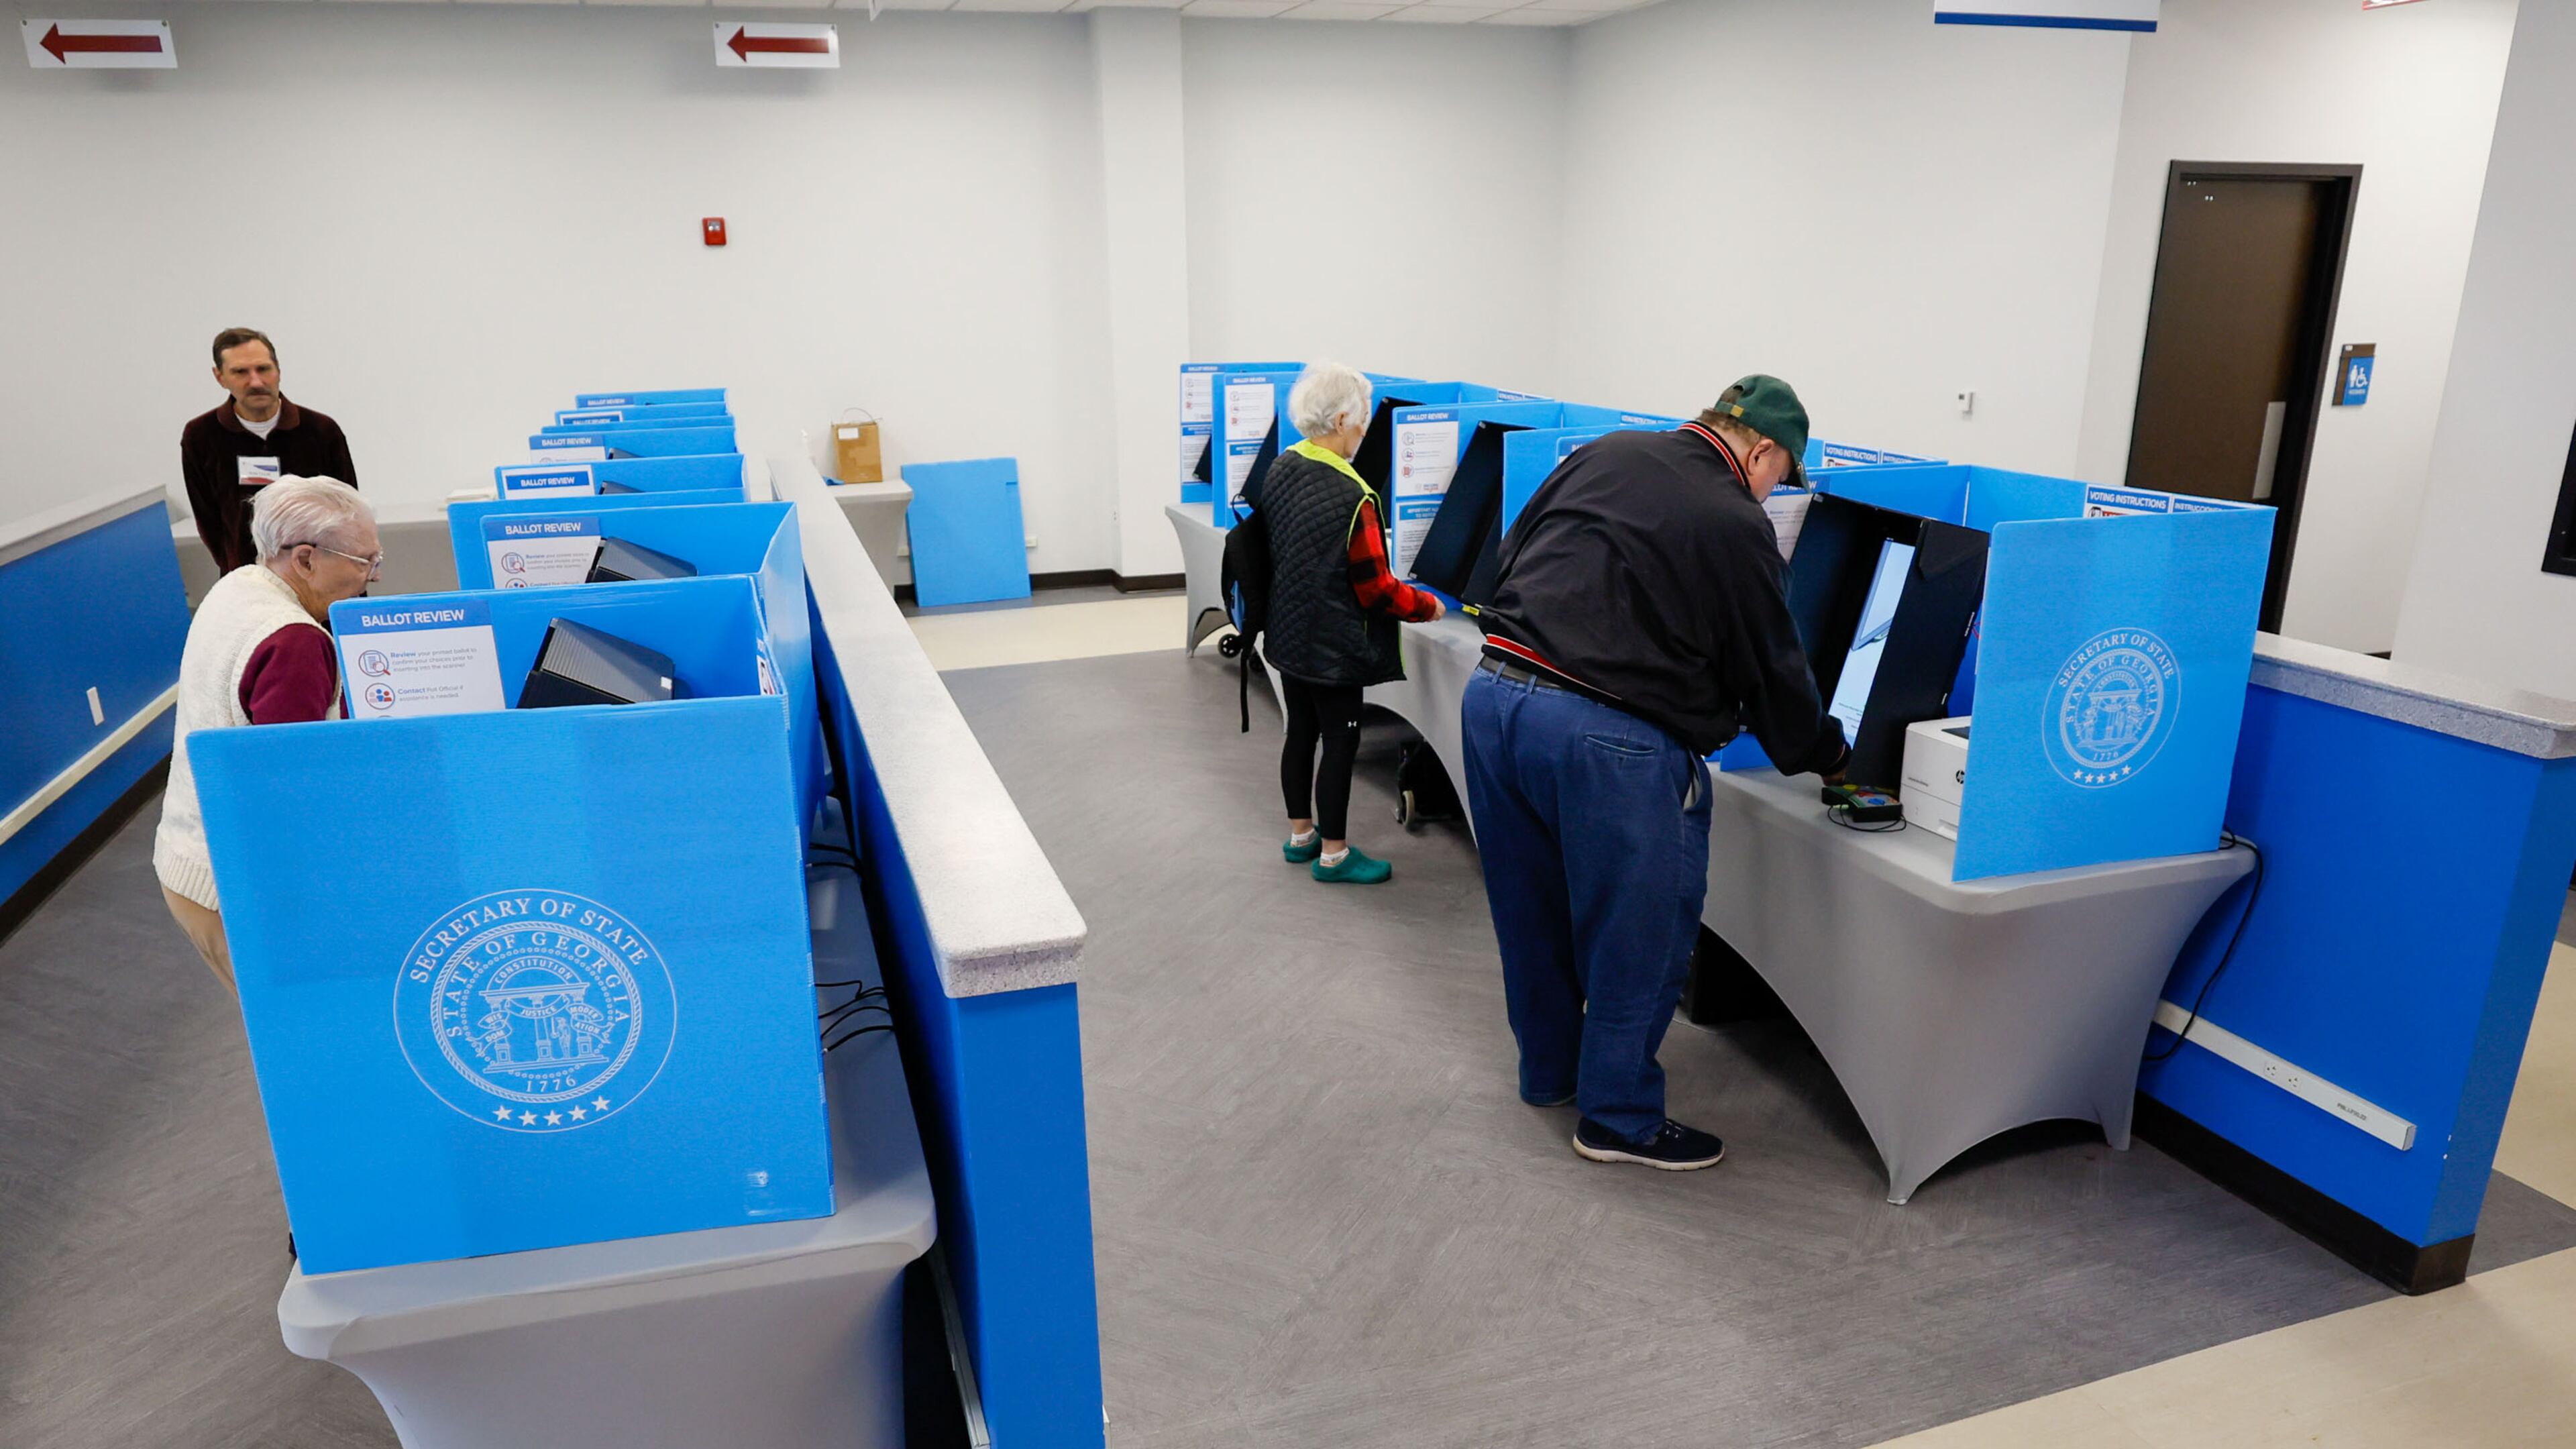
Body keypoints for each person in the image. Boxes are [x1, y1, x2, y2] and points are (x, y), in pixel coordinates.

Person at [1462, 376, 1849, 1171]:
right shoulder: (1734, 520)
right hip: (1607, 739)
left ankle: (1551, 1075)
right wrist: (1830, 757)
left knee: (1529, 911)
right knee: (1638, 937)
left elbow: (1512, 556)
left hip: (1496, 700)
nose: (1779, 493)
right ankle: (1620, 1118)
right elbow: (1774, 668)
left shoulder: (1604, 453)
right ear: (1763, 450)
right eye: (1784, 478)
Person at [155, 476, 381, 986]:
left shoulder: (238, 584)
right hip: (231, 890)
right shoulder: (294, 642)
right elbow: (298, 798)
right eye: (365, 561)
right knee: (305, 1039)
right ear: (305, 559)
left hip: (186, 858)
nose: (374, 576)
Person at [1258, 361, 1444, 885]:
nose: (1365, 430)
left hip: (1290, 633)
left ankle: (1302, 837)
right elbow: (1376, 589)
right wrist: (1426, 606)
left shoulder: (1283, 465)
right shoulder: (1353, 497)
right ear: (1342, 420)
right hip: (1334, 647)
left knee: (1300, 734)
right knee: (1340, 743)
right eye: (1362, 419)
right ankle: (1336, 855)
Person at [181, 328, 359, 576]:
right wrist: (237, 570)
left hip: (320, 577)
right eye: (240, 372)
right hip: (247, 580)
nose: (256, 382)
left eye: (263, 369)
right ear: (220, 377)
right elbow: (208, 520)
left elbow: (347, 510)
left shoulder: (321, 430)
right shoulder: (201, 436)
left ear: (278, 370)